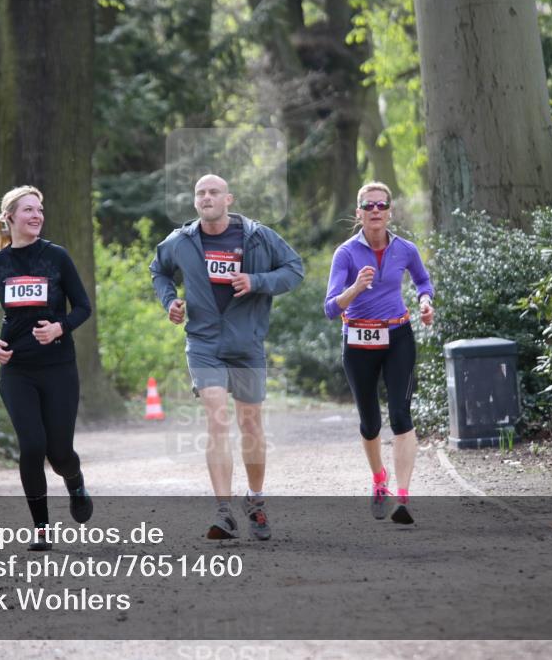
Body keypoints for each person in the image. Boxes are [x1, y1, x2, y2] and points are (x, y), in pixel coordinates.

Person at [151, 174, 304, 540]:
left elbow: (294, 269)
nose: (206, 197)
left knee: (250, 425)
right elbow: (158, 270)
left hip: (247, 343)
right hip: (203, 343)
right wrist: (169, 301)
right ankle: (223, 511)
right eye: (200, 192)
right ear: (195, 202)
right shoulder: (181, 241)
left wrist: (256, 281)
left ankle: (255, 500)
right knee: (217, 423)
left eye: (213, 192)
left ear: (228, 199)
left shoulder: (257, 236)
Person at [0, 185, 93, 551]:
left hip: (58, 367)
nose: (36, 216)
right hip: (17, 369)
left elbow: (83, 306)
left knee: (59, 454)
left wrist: (60, 327)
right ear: (10, 218)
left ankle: (75, 481)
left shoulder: (56, 257)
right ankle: (41, 530)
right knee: (32, 445)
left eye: (39, 210)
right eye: (28, 210)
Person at [323, 182, 434, 524]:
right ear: (358, 213)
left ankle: (403, 497)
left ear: (390, 211)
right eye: (368, 206)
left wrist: (425, 302)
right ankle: (378, 479)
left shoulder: (406, 249)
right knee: (370, 422)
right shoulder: (345, 254)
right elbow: (330, 307)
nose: (375, 211)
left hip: (398, 335)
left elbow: (422, 281)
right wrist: (355, 287)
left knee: (401, 415)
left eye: (380, 205)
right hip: (358, 341)